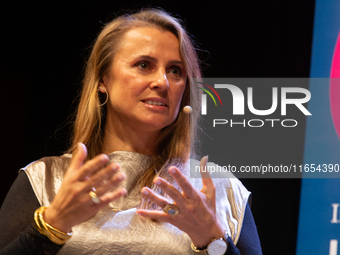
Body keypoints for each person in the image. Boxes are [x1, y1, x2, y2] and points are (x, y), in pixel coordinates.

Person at [0, 8, 262, 255]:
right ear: (103, 79)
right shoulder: (45, 179)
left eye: (175, 71)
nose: (162, 82)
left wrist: (213, 240)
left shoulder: (221, 190)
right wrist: (51, 226)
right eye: (144, 65)